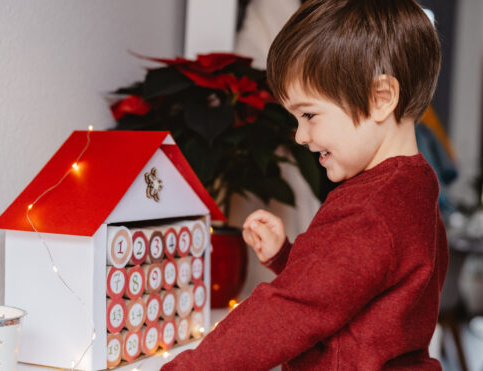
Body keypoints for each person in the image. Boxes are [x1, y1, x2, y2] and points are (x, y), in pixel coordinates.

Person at [162, 0, 447, 369]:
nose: (300, 136)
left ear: (381, 98)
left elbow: (288, 311)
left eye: (309, 114)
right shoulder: (415, 188)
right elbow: (359, 290)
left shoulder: (369, 207)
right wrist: (288, 257)